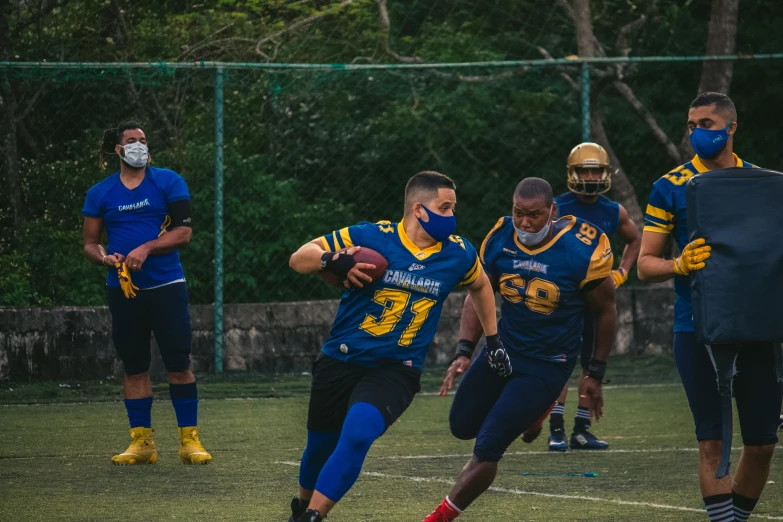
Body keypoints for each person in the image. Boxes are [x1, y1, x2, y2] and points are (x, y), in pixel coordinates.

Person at [286, 171, 506, 522]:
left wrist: (492, 339)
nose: (451, 217)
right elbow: (299, 258)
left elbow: (481, 287)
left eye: (453, 208)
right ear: (419, 209)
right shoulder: (372, 236)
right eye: (444, 208)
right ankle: (301, 507)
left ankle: (313, 517)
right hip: (341, 359)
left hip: (396, 368)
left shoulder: (458, 253)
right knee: (319, 447)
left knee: (358, 433)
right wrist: (332, 260)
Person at [423, 177, 617, 522]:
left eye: (534, 215)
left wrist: (594, 372)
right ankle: (533, 413)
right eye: (518, 213)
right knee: (461, 426)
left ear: (552, 212)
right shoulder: (500, 236)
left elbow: (605, 310)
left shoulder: (581, 246)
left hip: (548, 363)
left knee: (487, 447)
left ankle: (437, 518)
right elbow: (478, 291)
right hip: (504, 350)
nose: (525, 223)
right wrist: (464, 351)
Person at [637, 92, 780, 522]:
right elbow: (644, 265)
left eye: (706, 123)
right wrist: (678, 264)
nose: (697, 132)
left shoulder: (763, 184)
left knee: (762, 445)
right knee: (712, 442)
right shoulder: (669, 186)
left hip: (757, 326)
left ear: (731, 128)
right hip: (695, 325)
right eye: (692, 124)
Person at [82, 122, 211, 465]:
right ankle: (142, 444)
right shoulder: (100, 192)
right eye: (131, 141)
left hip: (167, 285)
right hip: (123, 289)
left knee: (179, 364)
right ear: (117, 150)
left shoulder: (169, 181)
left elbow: (183, 233)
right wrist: (105, 258)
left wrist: (146, 248)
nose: (139, 145)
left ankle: (190, 442)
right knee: (134, 367)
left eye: (143, 140)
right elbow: (90, 243)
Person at [544, 142, 641, 452]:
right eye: (584, 170)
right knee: (561, 360)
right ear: (573, 173)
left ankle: (581, 428)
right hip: (564, 298)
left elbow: (635, 239)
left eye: (595, 170)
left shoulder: (614, 210)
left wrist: (622, 272)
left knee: (592, 360)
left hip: (597, 301)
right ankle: (556, 428)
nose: (590, 176)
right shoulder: (556, 207)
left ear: (605, 173)